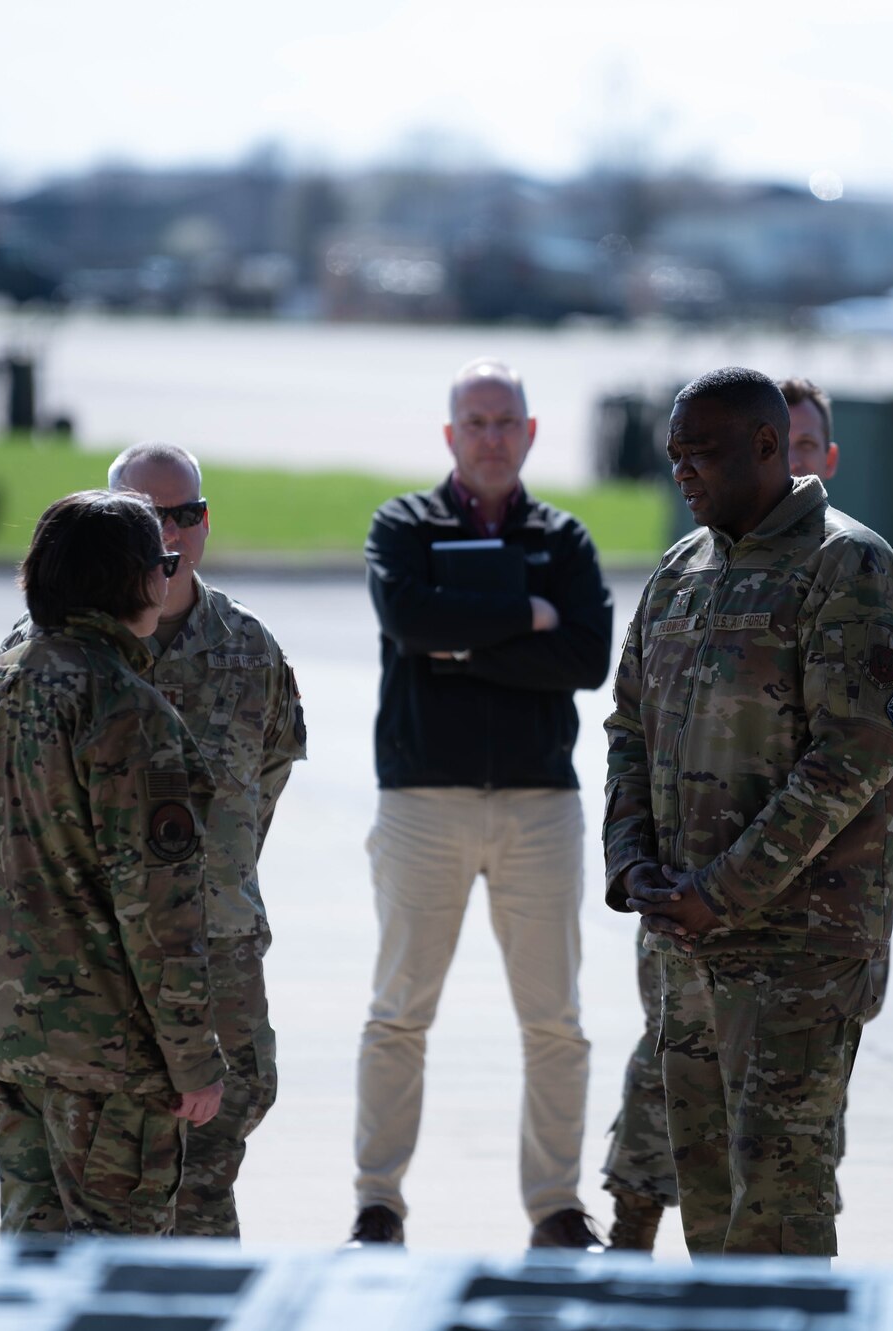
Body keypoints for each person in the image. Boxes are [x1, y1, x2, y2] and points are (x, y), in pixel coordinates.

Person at [598, 374, 893, 1252]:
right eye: (674, 454)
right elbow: (628, 728)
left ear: (769, 445)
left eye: (702, 452)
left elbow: (857, 755)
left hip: (799, 951)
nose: (682, 472)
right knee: (711, 1202)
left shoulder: (847, 565)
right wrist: (629, 859)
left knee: (779, 1206)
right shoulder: (682, 573)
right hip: (687, 943)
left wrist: (724, 889)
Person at [0, 442, 305, 1238]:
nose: (170, 536)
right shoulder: (35, 658)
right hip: (80, 969)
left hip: (213, 956)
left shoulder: (248, 649)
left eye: (186, 515)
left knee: (201, 1190)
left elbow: (264, 783)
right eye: (146, 518)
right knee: (58, 1212)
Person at [351, 358, 615, 1249]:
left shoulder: (565, 540)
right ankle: (376, 1201)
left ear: (531, 433)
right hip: (423, 798)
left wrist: (466, 642)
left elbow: (585, 659)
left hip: (541, 806)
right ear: (451, 434)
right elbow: (411, 625)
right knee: (399, 1012)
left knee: (556, 1021)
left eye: (508, 421)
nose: (493, 436)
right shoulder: (404, 525)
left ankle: (556, 1206)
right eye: (477, 421)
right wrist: (523, 616)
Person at [0, 490, 228, 1235]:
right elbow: (159, 910)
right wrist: (194, 1059)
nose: (170, 578)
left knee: (32, 1273)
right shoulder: (126, 709)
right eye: (163, 563)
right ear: (138, 580)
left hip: (12, 1043)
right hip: (109, 1064)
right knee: (116, 1283)